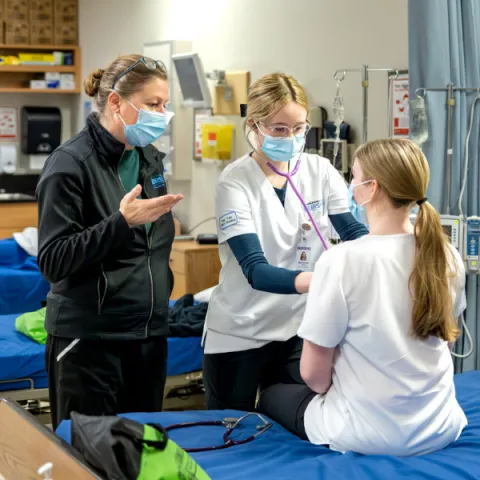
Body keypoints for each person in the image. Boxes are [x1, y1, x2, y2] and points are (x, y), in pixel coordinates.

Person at [258, 138, 468, 456]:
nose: (350, 185)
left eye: (353, 176)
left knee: (271, 392)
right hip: (438, 427)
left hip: (365, 434)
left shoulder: (341, 261)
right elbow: (445, 342)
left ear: (372, 188)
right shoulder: (446, 255)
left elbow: (314, 378)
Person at [202, 72, 369, 411]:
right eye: (279, 128)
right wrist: (324, 280)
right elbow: (256, 271)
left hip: (299, 329)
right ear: (254, 125)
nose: (291, 138)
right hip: (242, 330)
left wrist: (389, 253)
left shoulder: (320, 171)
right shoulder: (234, 182)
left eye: (299, 128)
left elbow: (353, 232)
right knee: (232, 433)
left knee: (294, 431)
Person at [36, 54, 183, 430]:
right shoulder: (69, 164)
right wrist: (121, 223)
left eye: (165, 104)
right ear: (116, 101)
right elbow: (53, 259)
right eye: (153, 104)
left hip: (147, 335)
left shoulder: (150, 158)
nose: (162, 114)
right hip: (90, 340)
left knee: (140, 456)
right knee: (87, 460)